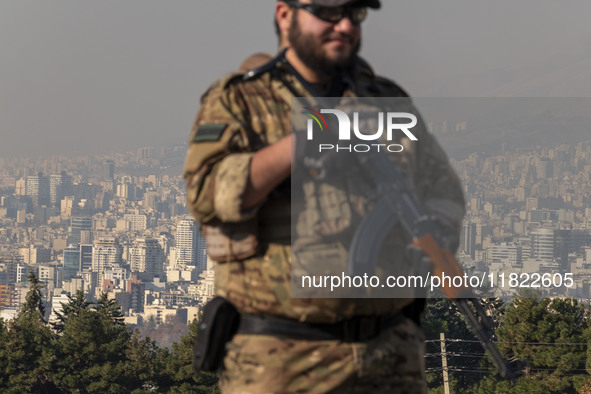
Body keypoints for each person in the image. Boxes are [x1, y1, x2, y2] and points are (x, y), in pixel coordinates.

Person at [184, 0, 465, 392]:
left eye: (355, 13)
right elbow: (205, 193)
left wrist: (435, 231)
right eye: (329, 12)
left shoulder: (385, 101)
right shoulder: (241, 101)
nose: (345, 25)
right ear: (286, 16)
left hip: (389, 353)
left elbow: (443, 188)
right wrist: (298, 146)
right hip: (282, 359)